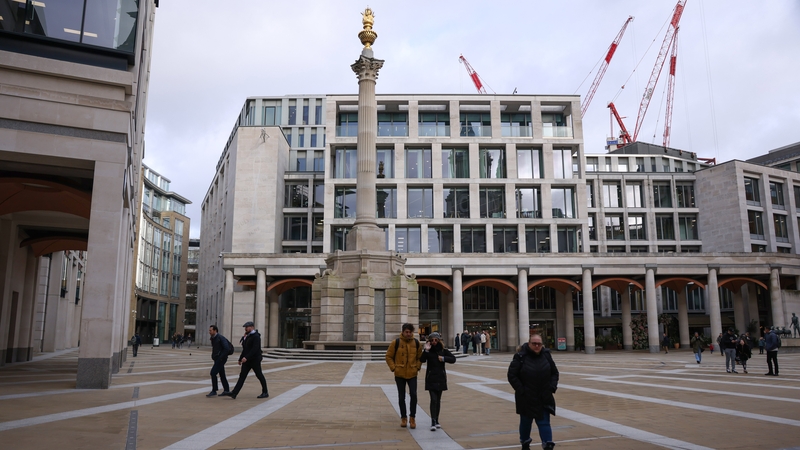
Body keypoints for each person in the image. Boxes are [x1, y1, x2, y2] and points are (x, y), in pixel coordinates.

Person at [507, 334, 559, 450]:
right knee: (526, 422)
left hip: (544, 395)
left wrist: (552, 387)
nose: (537, 346)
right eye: (534, 343)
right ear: (529, 343)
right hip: (526, 397)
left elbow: (554, 373)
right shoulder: (520, 356)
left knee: (544, 422)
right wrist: (521, 390)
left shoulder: (546, 355)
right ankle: (525, 442)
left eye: (539, 344)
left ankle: (548, 444)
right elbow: (512, 375)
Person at [385, 323, 423, 429]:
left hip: (412, 373)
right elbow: (388, 356)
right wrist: (394, 368)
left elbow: (420, 357)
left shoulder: (416, 342)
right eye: (406, 332)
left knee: (414, 395)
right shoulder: (396, 342)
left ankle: (412, 417)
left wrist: (417, 367)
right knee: (401, 397)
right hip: (400, 373)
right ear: (402, 332)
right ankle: (403, 417)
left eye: (410, 332)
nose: (408, 334)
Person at [222, 321, 269, 399]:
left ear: (252, 327)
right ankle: (234, 393)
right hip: (247, 361)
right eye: (245, 327)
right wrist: (240, 358)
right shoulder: (248, 336)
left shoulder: (256, 336)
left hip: (254, 360)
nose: (245, 329)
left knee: (259, 375)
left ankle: (265, 392)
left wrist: (246, 357)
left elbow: (255, 349)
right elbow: (245, 349)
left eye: (247, 327)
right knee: (242, 376)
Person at [420, 332, 455, 431]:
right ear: (429, 341)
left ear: (439, 340)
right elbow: (422, 360)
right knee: (433, 400)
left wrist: (443, 358)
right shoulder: (429, 351)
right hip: (431, 378)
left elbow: (453, 359)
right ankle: (433, 421)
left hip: (440, 378)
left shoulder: (443, 350)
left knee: (438, 400)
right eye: (432, 340)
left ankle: (437, 420)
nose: (434, 342)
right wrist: (426, 350)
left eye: (436, 340)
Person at [207, 325, 231, 397]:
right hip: (217, 358)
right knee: (222, 374)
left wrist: (220, 357)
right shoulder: (213, 338)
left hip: (221, 359)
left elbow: (226, 348)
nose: (209, 332)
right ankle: (226, 390)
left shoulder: (220, 338)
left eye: (210, 330)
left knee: (213, 373)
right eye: (209, 330)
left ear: (215, 330)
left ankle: (214, 390)